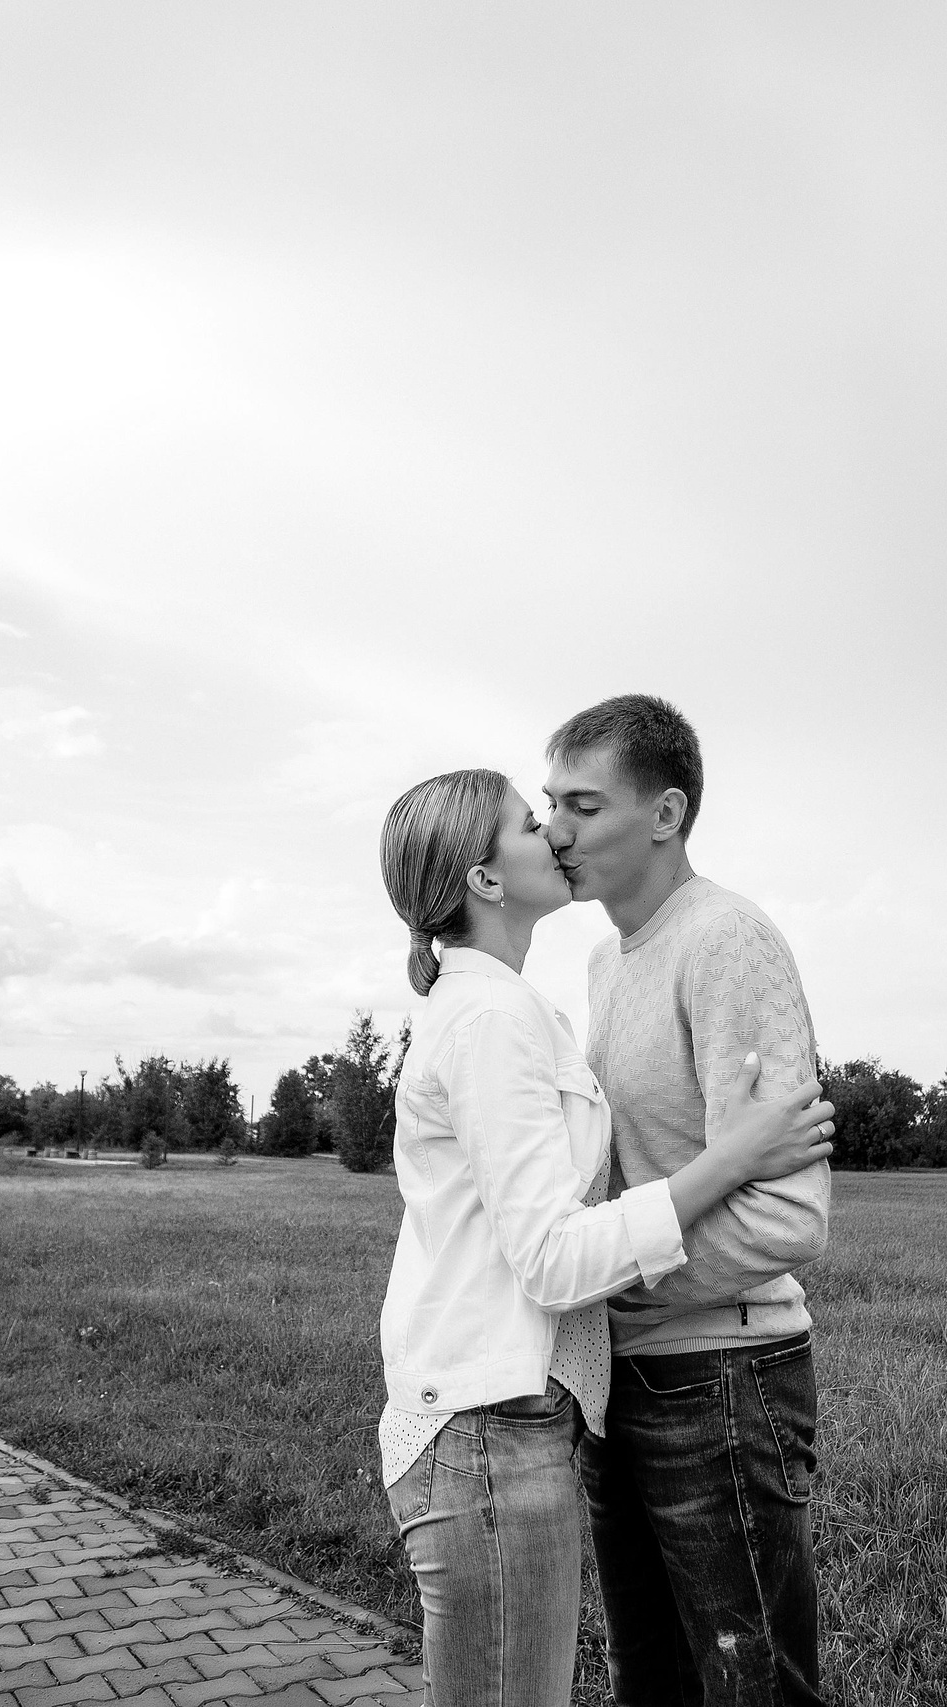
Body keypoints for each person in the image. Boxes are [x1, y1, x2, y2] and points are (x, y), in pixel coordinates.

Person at [377, 768, 836, 1707]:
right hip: (488, 1432)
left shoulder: (511, 1004)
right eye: (528, 818)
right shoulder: (495, 1014)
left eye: (571, 807)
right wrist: (732, 1155)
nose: (550, 830)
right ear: (486, 881)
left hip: (516, 1421)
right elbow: (551, 1257)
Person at [542, 694, 833, 1707]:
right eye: (549, 805)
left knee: (753, 1690)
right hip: (619, 1385)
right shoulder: (601, 960)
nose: (554, 831)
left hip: (722, 1382)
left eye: (582, 805)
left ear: (663, 815)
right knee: (646, 1688)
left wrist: (621, 1290)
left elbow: (789, 1216)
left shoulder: (725, 944)